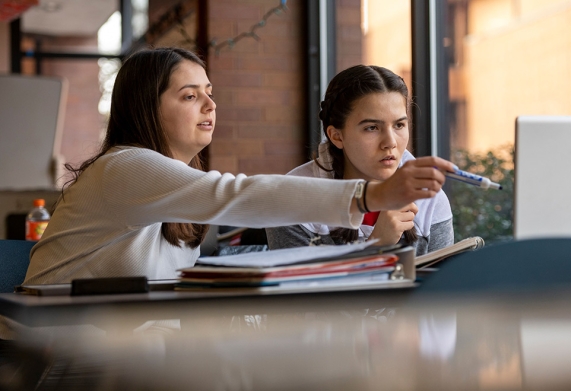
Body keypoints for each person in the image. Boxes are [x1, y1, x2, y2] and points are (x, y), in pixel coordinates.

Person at [23, 48, 455, 284]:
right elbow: (235, 194)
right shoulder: (124, 168)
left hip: (110, 347)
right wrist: (370, 196)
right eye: (190, 96)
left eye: (210, 92)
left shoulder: (175, 190)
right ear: (146, 108)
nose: (212, 105)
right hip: (52, 355)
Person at [266, 65, 454, 255]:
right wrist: (375, 247)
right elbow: (299, 284)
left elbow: (445, 283)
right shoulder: (292, 199)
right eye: (372, 127)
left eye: (399, 125)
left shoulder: (429, 198)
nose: (390, 143)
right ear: (336, 136)